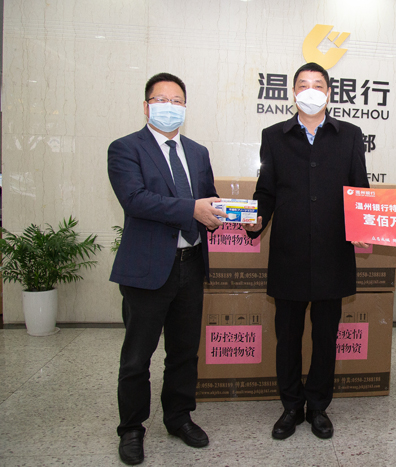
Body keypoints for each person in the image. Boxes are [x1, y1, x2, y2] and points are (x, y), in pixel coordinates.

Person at [243, 62, 369, 440]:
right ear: (293, 92)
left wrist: (365, 227)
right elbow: (266, 190)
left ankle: (318, 406)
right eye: (303, 84)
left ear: (328, 93)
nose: (310, 90)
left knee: (326, 337)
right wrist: (256, 220)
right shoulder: (274, 136)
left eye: (318, 84)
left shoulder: (349, 135)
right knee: (288, 337)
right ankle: (290, 406)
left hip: (334, 254)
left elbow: (359, 189)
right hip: (289, 255)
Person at [108, 72, 225, 465]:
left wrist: (226, 215)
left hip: (191, 266)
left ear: (185, 108)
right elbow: (135, 199)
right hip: (146, 269)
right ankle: (131, 428)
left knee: (184, 352)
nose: (169, 107)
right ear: (146, 106)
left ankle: (178, 417)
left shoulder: (198, 152)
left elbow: (208, 200)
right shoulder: (126, 148)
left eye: (177, 101)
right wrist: (192, 209)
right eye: (161, 100)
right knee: (136, 357)